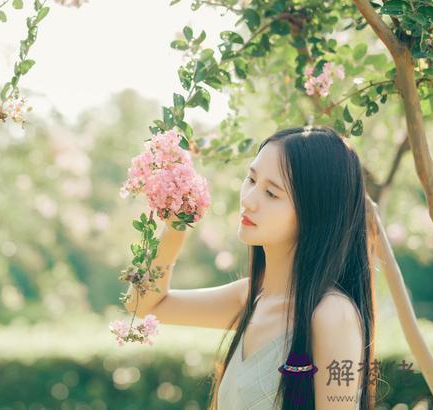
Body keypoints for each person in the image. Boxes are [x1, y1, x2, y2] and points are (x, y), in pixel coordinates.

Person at [124, 126, 376, 409]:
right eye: (251, 179)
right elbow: (145, 305)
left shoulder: (332, 315)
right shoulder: (250, 299)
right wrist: (176, 228)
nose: (248, 199)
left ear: (315, 212)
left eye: (271, 193)